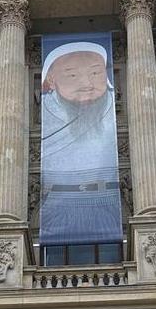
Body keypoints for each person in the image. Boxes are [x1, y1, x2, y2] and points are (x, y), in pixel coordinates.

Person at [39, 42, 120, 244]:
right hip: (54, 209)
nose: (87, 84)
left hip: (112, 205)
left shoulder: (116, 106)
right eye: (72, 75)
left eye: (95, 73)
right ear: (51, 79)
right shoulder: (43, 112)